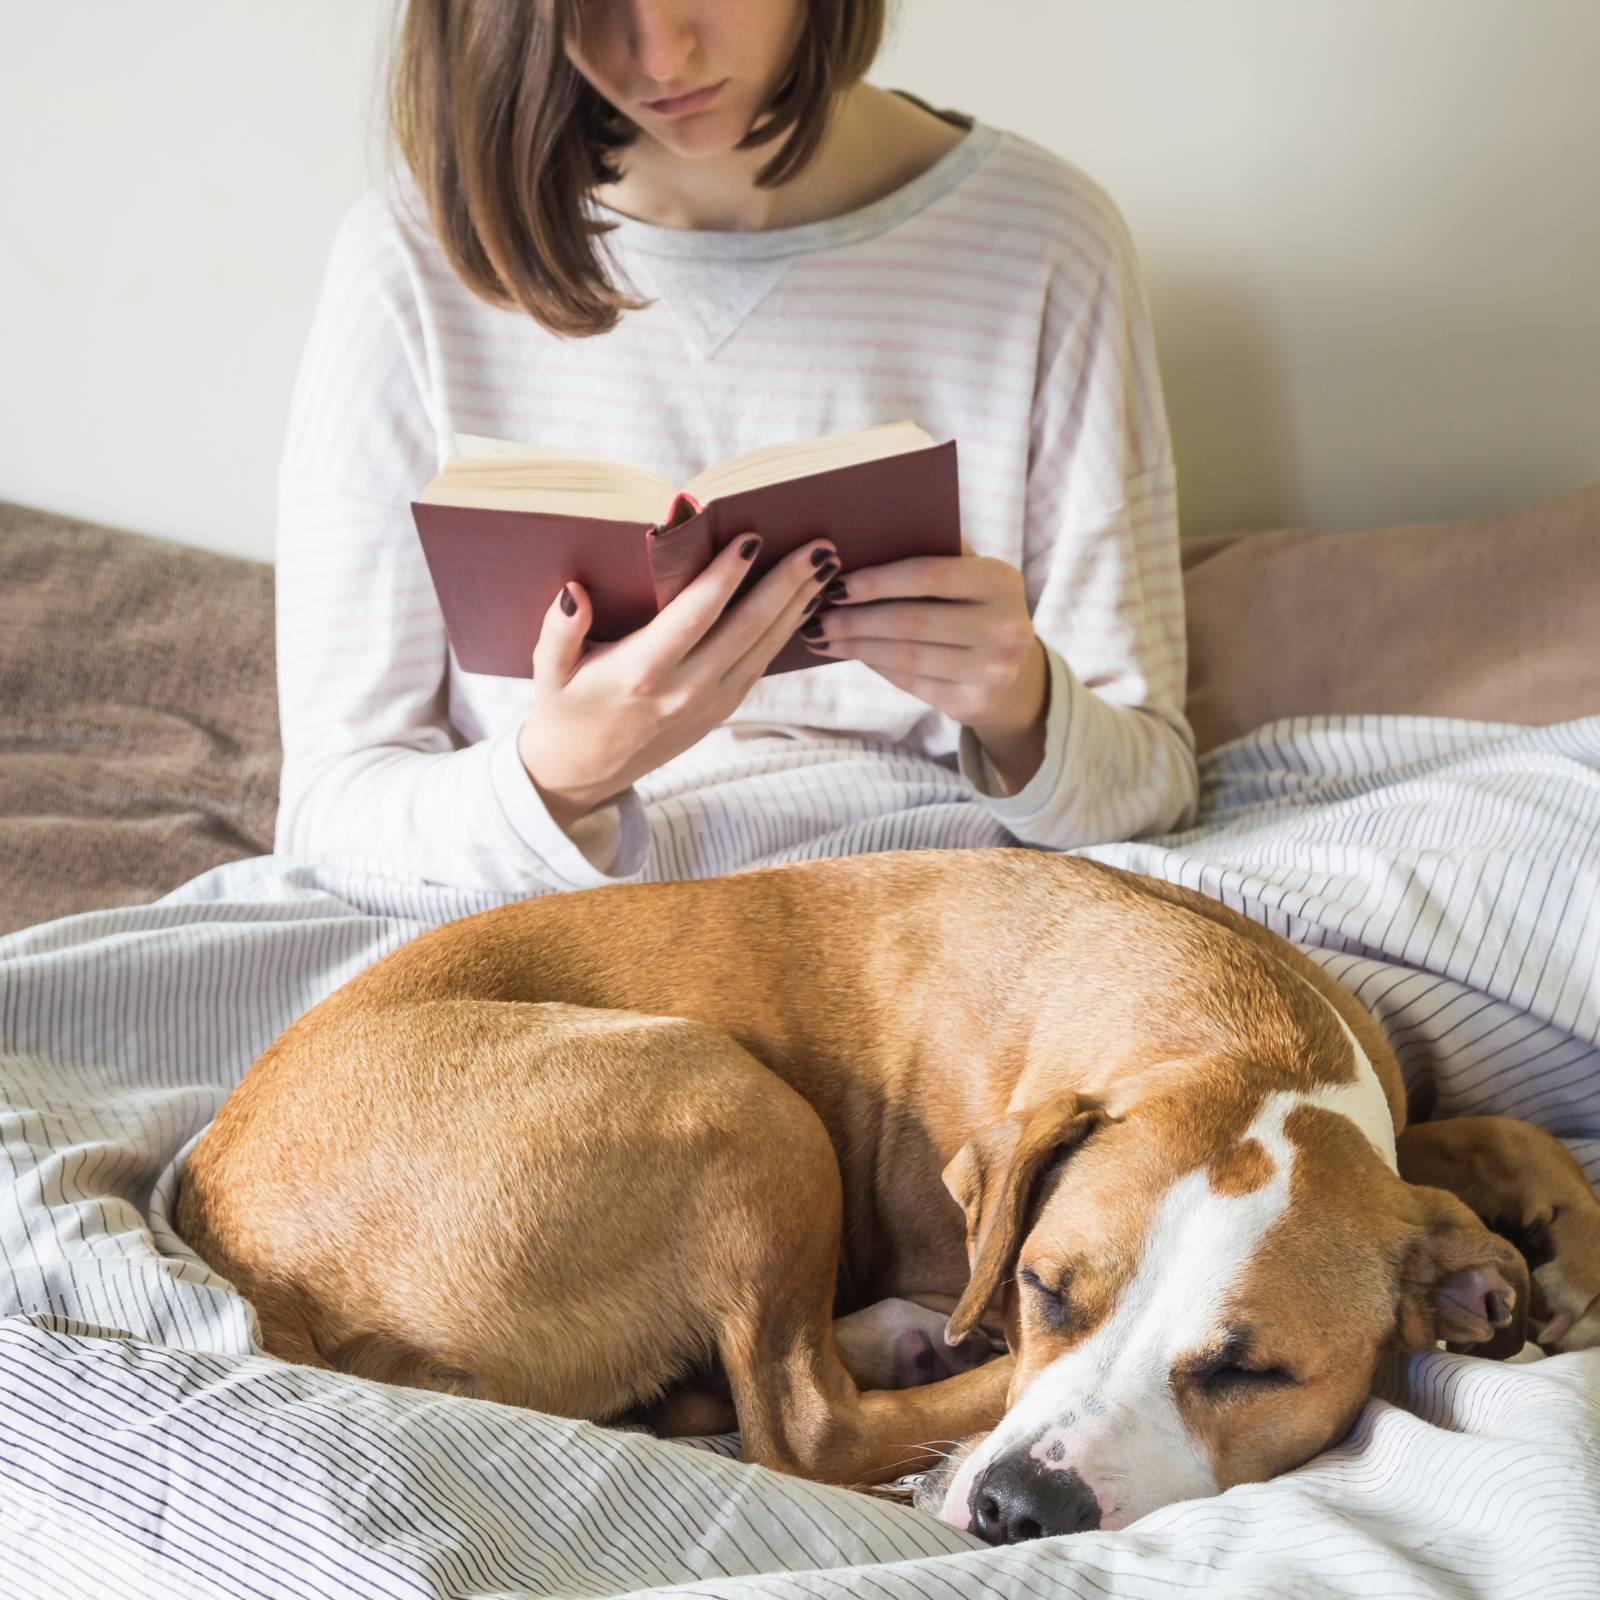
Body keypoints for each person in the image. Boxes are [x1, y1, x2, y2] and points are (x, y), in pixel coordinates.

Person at [273, 0, 1199, 896]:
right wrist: (558, 775)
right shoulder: (411, 261)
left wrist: (1023, 705)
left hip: (926, 909)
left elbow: (1151, 782)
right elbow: (326, 811)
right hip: (558, 916)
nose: (662, 53)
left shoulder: (1044, 240)